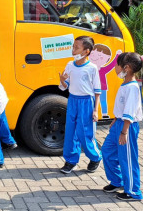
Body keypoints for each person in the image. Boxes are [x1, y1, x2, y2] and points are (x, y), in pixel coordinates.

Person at [102, 52, 143, 201]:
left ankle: (133, 191)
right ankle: (117, 181)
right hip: (119, 124)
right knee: (107, 151)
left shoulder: (132, 87)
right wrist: (115, 119)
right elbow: (122, 106)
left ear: (126, 67)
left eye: (117, 64)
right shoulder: (125, 84)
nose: (115, 67)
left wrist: (124, 132)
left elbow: (130, 111)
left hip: (126, 127)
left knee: (127, 158)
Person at [58, 36, 102, 174]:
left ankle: (95, 157)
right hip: (72, 101)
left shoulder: (92, 68)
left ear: (86, 51)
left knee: (85, 132)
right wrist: (63, 81)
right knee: (70, 132)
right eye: (73, 46)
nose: (73, 49)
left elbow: (97, 91)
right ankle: (71, 161)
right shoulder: (70, 65)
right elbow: (64, 87)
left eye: (77, 47)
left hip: (86, 103)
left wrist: (95, 110)